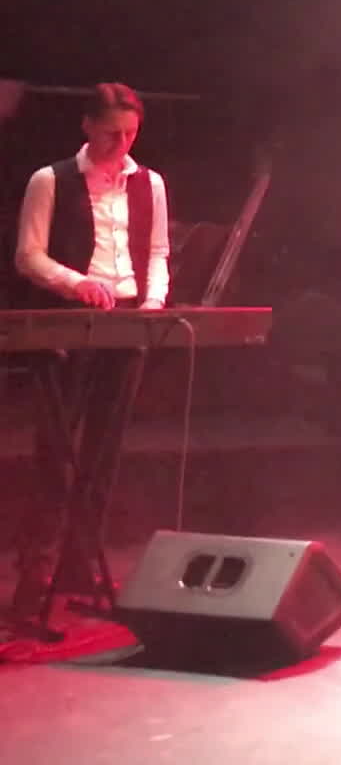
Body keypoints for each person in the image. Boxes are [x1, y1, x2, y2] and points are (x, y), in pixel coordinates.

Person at [10, 82, 170, 622]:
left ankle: (80, 564)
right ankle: (36, 571)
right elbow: (28, 256)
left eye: (129, 134)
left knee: (104, 452)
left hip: (126, 323)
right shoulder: (50, 180)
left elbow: (158, 252)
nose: (120, 145)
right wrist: (77, 283)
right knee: (56, 453)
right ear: (87, 126)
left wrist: (153, 303)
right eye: (110, 134)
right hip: (70, 321)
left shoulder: (150, 183)